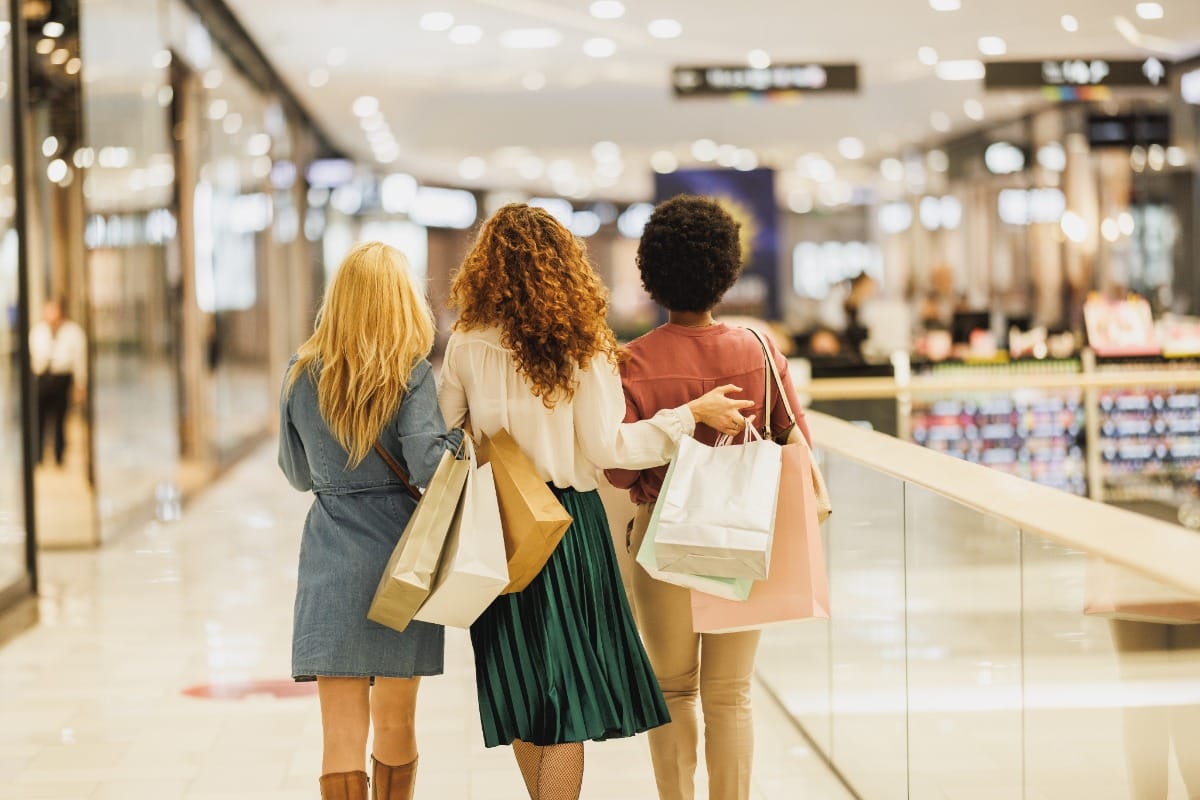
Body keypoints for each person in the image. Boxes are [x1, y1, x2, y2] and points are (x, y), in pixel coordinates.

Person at [437, 203, 751, 800]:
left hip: (498, 527)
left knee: (525, 688)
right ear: (563, 266)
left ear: (486, 268)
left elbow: (446, 437)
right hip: (565, 529)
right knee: (561, 696)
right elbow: (612, 447)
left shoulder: (466, 344)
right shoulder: (582, 346)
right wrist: (691, 415)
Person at [604, 195, 812, 800]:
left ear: (652, 272)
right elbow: (791, 436)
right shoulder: (759, 350)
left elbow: (619, 473)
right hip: (742, 535)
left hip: (660, 535)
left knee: (673, 690)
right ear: (727, 269)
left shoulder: (632, 362)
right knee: (731, 694)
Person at [278, 242, 464, 800]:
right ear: (399, 301)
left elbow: (297, 474)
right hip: (400, 561)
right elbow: (430, 464)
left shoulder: (300, 372)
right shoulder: (409, 371)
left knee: (339, 735)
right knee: (396, 724)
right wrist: (459, 439)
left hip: (331, 555)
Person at [29, 298, 87, 467]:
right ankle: (37, 456)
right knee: (39, 418)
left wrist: (80, 383)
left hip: (62, 378)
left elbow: (79, 360)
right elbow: (33, 356)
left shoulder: (73, 333)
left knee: (60, 419)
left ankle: (59, 456)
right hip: (42, 378)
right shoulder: (38, 331)